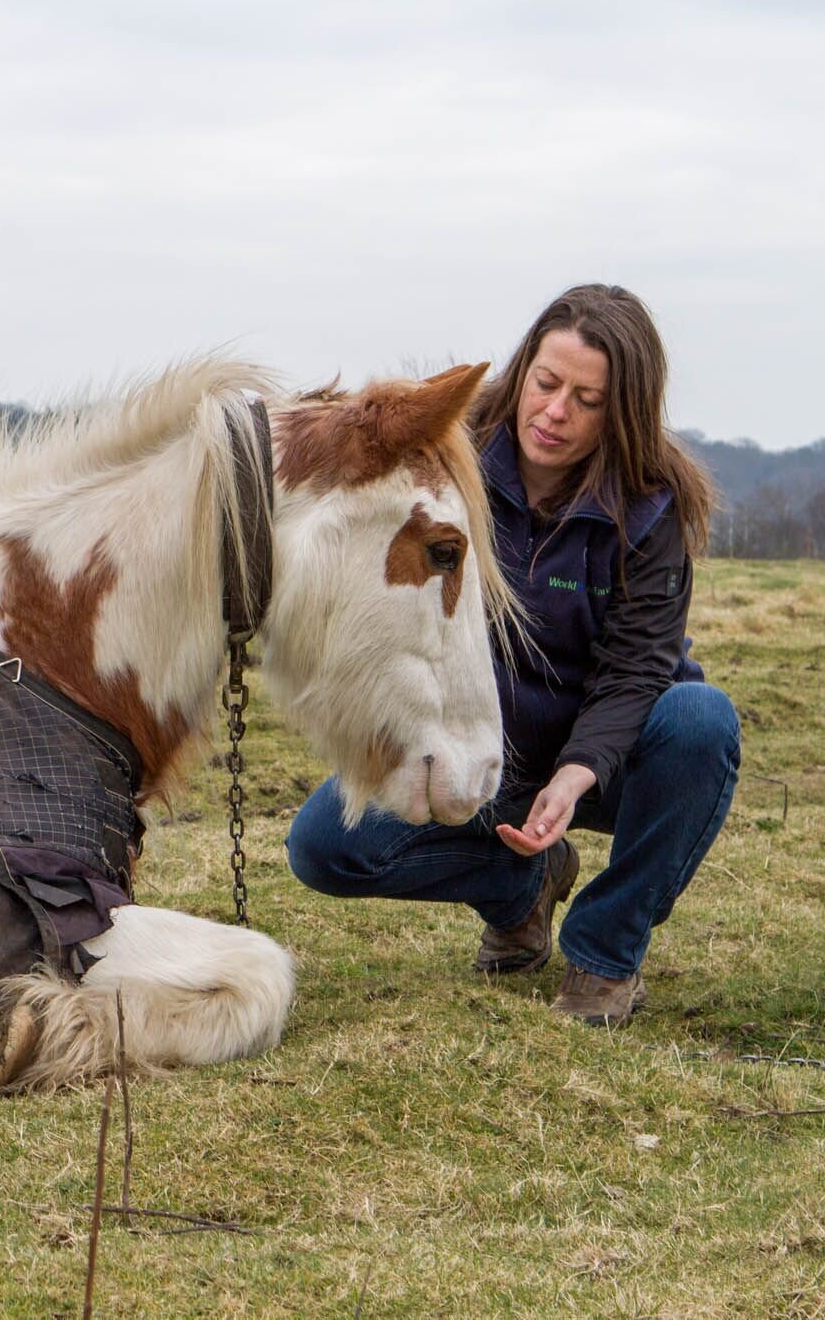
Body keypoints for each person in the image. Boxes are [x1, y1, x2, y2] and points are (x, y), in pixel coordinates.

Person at [285, 284, 740, 1026]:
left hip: (614, 759)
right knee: (324, 847)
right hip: (488, 753)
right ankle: (521, 890)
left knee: (702, 720)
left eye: (587, 399)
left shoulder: (652, 505)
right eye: (546, 383)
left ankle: (604, 953)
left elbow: (639, 667)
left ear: (620, 411)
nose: (555, 411)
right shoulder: (452, 458)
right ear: (523, 370)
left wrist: (577, 769)